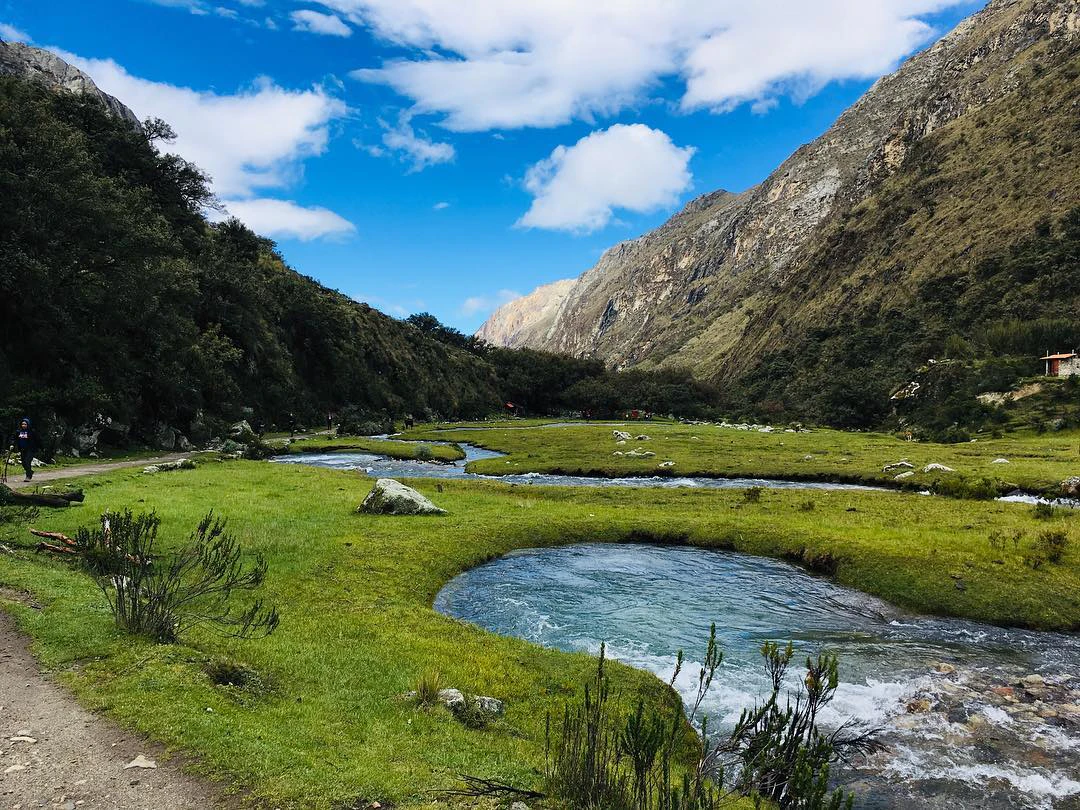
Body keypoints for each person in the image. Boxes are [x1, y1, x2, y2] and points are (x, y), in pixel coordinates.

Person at [10, 417, 42, 482]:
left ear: (28, 425)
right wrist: (12, 444)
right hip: (22, 449)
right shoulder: (19, 431)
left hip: (30, 449)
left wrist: (41, 448)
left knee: (27, 462)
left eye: (25, 424)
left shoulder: (32, 432)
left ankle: (28, 476)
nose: (23, 425)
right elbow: (13, 438)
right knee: (24, 463)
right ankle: (30, 471)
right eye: (22, 424)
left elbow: (38, 440)